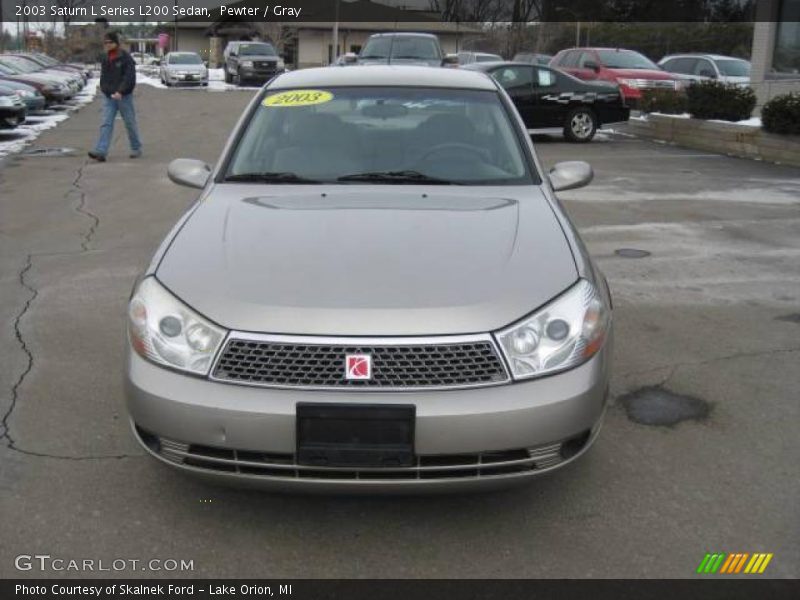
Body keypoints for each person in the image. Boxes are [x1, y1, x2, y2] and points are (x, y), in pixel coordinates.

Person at [88, 31, 142, 162]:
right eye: (105, 42)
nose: (107, 44)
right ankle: (101, 151)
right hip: (109, 97)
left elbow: (129, 77)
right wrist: (104, 89)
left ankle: (136, 147)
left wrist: (121, 91)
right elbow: (104, 77)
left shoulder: (125, 57)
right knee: (106, 123)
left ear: (116, 43)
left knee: (129, 123)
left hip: (123, 97)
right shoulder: (106, 58)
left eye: (110, 42)